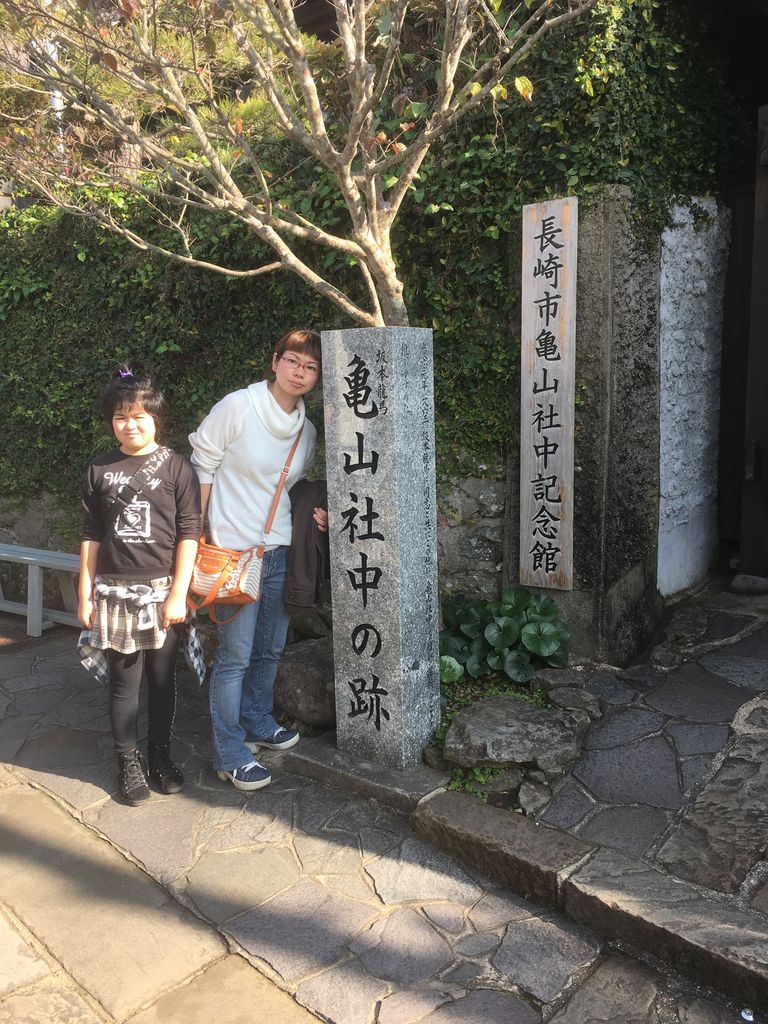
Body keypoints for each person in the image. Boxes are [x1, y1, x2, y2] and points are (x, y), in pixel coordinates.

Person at [189, 329, 327, 792]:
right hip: (233, 552)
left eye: (310, 367)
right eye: (293, 361)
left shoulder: (306, 431)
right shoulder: (239, 406)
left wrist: (319, 514)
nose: (299, 372)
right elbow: (203, 465)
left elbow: (291, 489)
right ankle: (229, 754)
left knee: (270, 649)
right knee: (234, 657)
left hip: (279, 551)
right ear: (275, 361)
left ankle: (256, 721)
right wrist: (196, 532)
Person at [78, 367, 201, 805]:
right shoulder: (99, 468)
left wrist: (178, 594)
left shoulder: (177, 467)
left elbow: (190, 533)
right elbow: (91, 534)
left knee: (162, 681)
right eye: (120, 417)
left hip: (162, 592)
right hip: (113, 593)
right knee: (123, 684)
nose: (129, 425)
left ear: (156, 419)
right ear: (111, 422)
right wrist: (84, 593)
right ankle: (127, 762)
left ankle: (159, 756)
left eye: (138, 416)